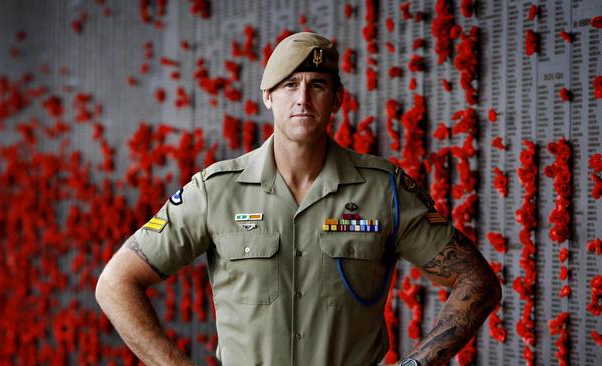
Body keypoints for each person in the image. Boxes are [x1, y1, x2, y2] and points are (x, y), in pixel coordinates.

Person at [95, 32, 501, 366]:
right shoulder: (215, 190)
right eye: (290, 85)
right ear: (268, 96)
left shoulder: (383, 190)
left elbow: (476, 282)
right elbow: (115, 283)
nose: (303, 98)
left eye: (317, 85)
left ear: (337, 100)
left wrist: (416, 364)